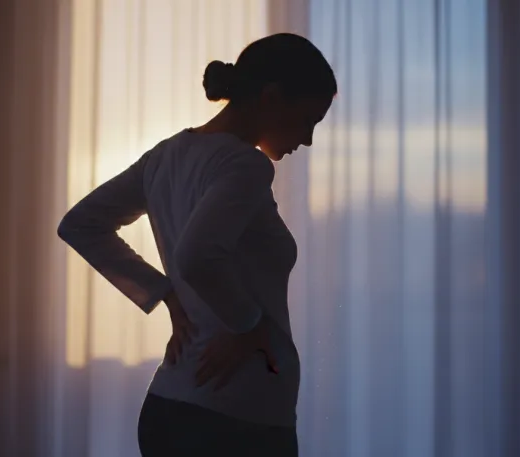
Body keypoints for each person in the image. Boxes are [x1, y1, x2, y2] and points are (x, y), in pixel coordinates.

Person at [57, 32, 336, 457]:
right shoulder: (245, 164)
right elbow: (196, 255)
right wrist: (249, 324)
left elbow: (80, 224)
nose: (309, 139)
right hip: (234, 419)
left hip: (171, 403)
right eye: (308, 121)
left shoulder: (166, 155)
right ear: (272, 97)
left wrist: (164, 293)